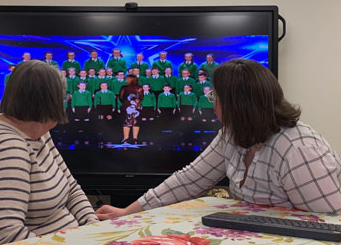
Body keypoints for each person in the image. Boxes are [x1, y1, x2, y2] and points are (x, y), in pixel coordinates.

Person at [97, 58, 341, 220]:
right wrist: (127, 212)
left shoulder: (298, 148)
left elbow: (332, 221)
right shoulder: (232, 133)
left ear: (238, 105)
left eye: (216, 96)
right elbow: (190, 179)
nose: (212, 102)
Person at [0, 60, 98, 245]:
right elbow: (7, 237)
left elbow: (70, 187)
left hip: (60, 243)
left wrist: (93, 226)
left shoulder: (36, 131)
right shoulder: (6, 148)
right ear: (49, 104)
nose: (65, 101)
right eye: (63, 98)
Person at [119, 74, 143, 143]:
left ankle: (125, 138)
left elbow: (121, 97)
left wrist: (126, 103)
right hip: (137, 106)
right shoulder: (140, 87)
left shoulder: (124, 87)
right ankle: (135, 138)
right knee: (136, 122)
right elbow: (141, 97)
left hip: (127, 106)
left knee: (127, 122)